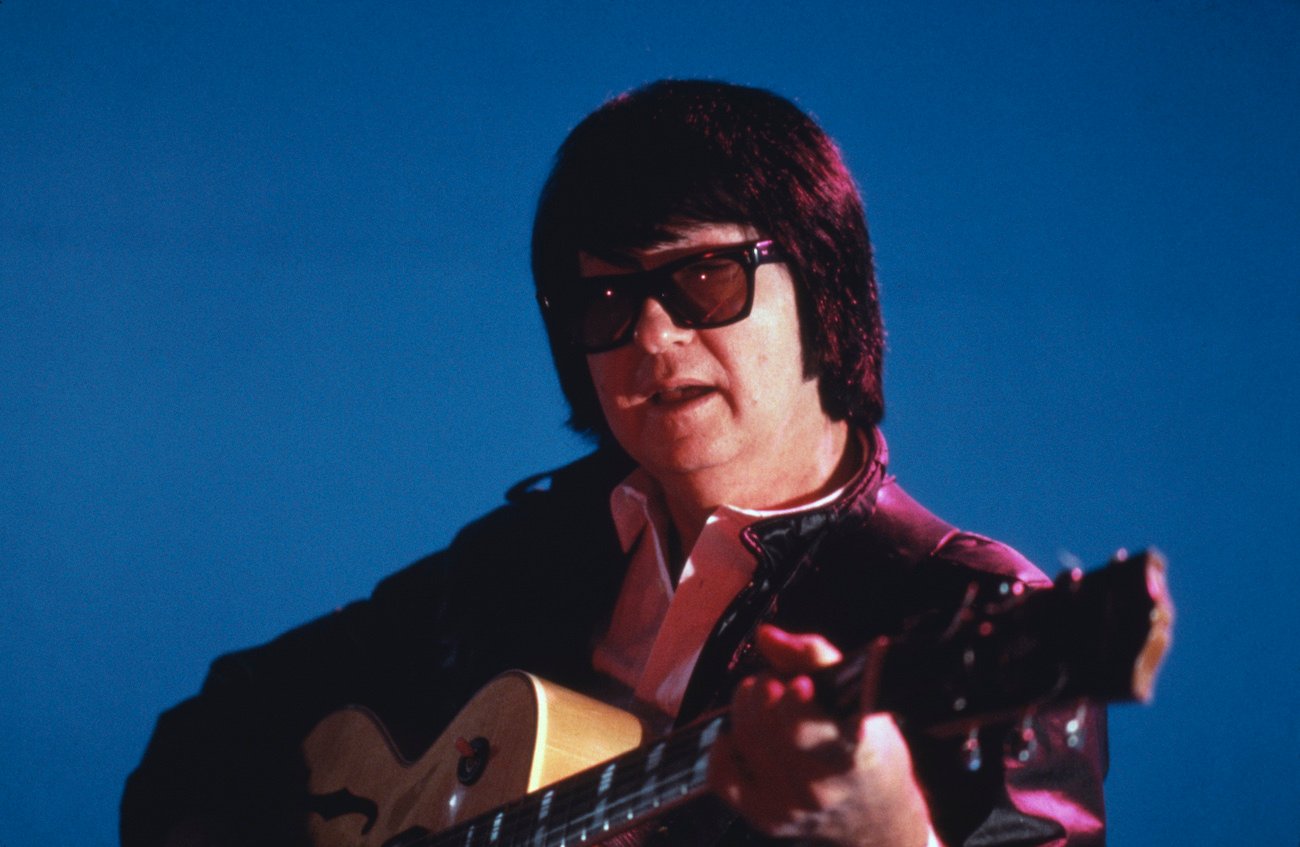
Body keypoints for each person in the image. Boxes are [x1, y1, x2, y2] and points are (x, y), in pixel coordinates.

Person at [122, 80, 1106, 847]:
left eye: (705, 277)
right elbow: (209, 735)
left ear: (823, 286)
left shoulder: (969, 612)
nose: (651, 333)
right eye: (606, 302)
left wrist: (884, 832)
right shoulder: (536, 553)